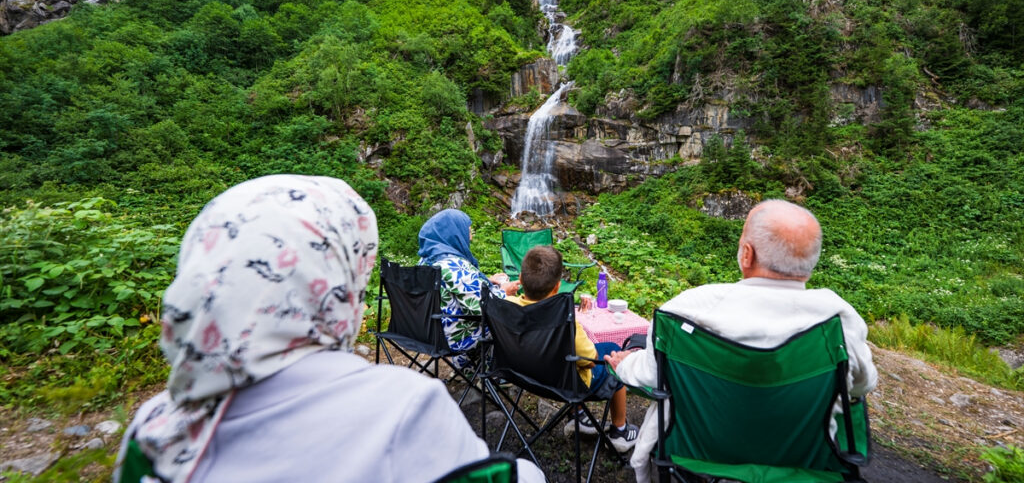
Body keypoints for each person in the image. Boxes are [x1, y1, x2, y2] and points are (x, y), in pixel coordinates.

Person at [114, 175, 544, 483]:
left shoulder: (152, 431)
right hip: (464, 338)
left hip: (425, 337)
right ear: (335, 281)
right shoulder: (404, 409)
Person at [604, 199, 878, 483]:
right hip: (804, 462)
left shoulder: (685, 310)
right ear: (809, 264)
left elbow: (651, 374)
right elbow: (862, 385)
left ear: (746, 254)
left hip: (698, 452)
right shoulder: (839, 321)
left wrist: (625, 364)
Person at [509, 245, 639, 452]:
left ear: (521, 280)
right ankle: (620, 430)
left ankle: (578, 416)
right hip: (565, 384)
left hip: (523, 374)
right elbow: (588, 360)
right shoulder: (565, 322)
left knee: (566, 357)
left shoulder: (506, 306)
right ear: (557, 287)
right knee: (612, 351)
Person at [418, 209, 519, 370]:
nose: (470, 236)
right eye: (468, 231)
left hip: (424, 333)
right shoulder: (454, 265)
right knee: (509, 318)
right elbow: (481, 307)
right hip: (453, 338)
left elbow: (455, 292)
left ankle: (468, 365)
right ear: (453, 233)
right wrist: (504, 291)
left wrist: (486, 281)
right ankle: (497, 372)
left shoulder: (426, 261)